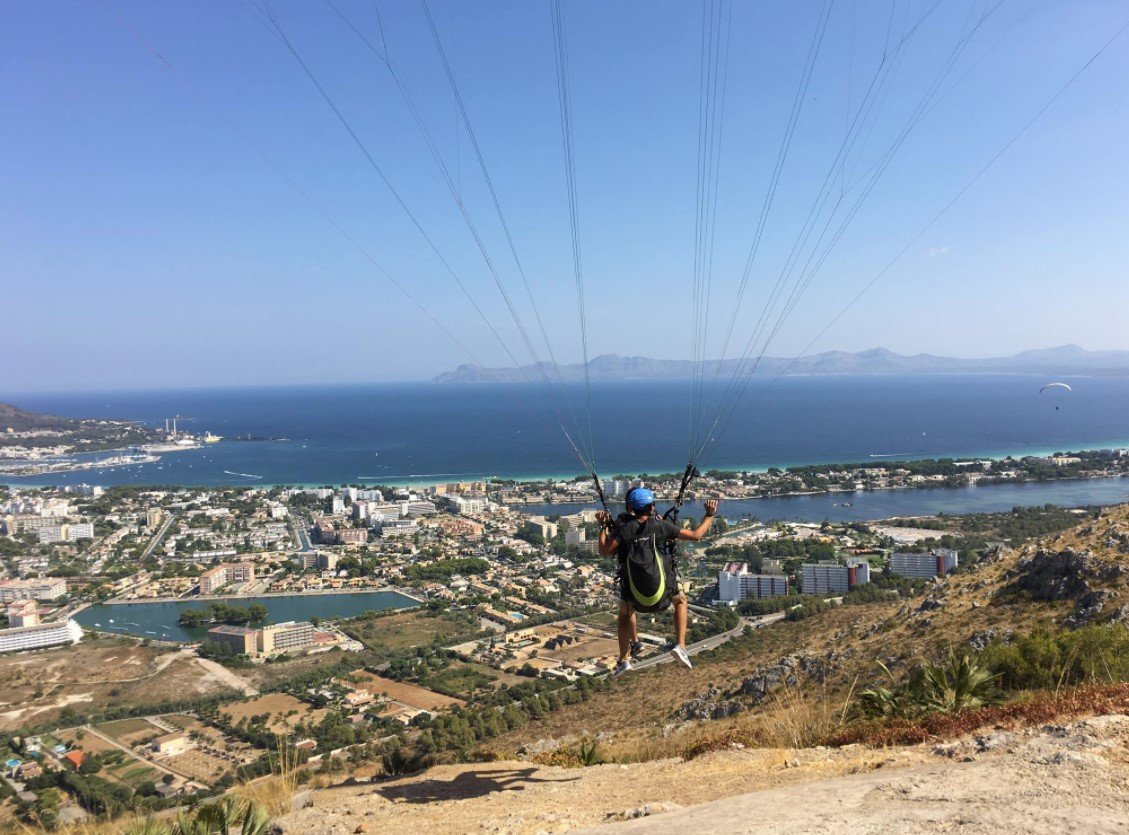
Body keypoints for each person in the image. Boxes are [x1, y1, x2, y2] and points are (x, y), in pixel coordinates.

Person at [596, 488, 719, 678]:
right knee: (681, 600)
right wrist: (710, 515)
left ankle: (624, 659)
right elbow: (696, 535)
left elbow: (604, 551)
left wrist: (603, 526)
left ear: (630, 507)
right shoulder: (661, 527)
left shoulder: (623, 530)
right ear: (652, 507)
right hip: (663, 593)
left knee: (625, 613)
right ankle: (681, 646)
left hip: (636, 598)